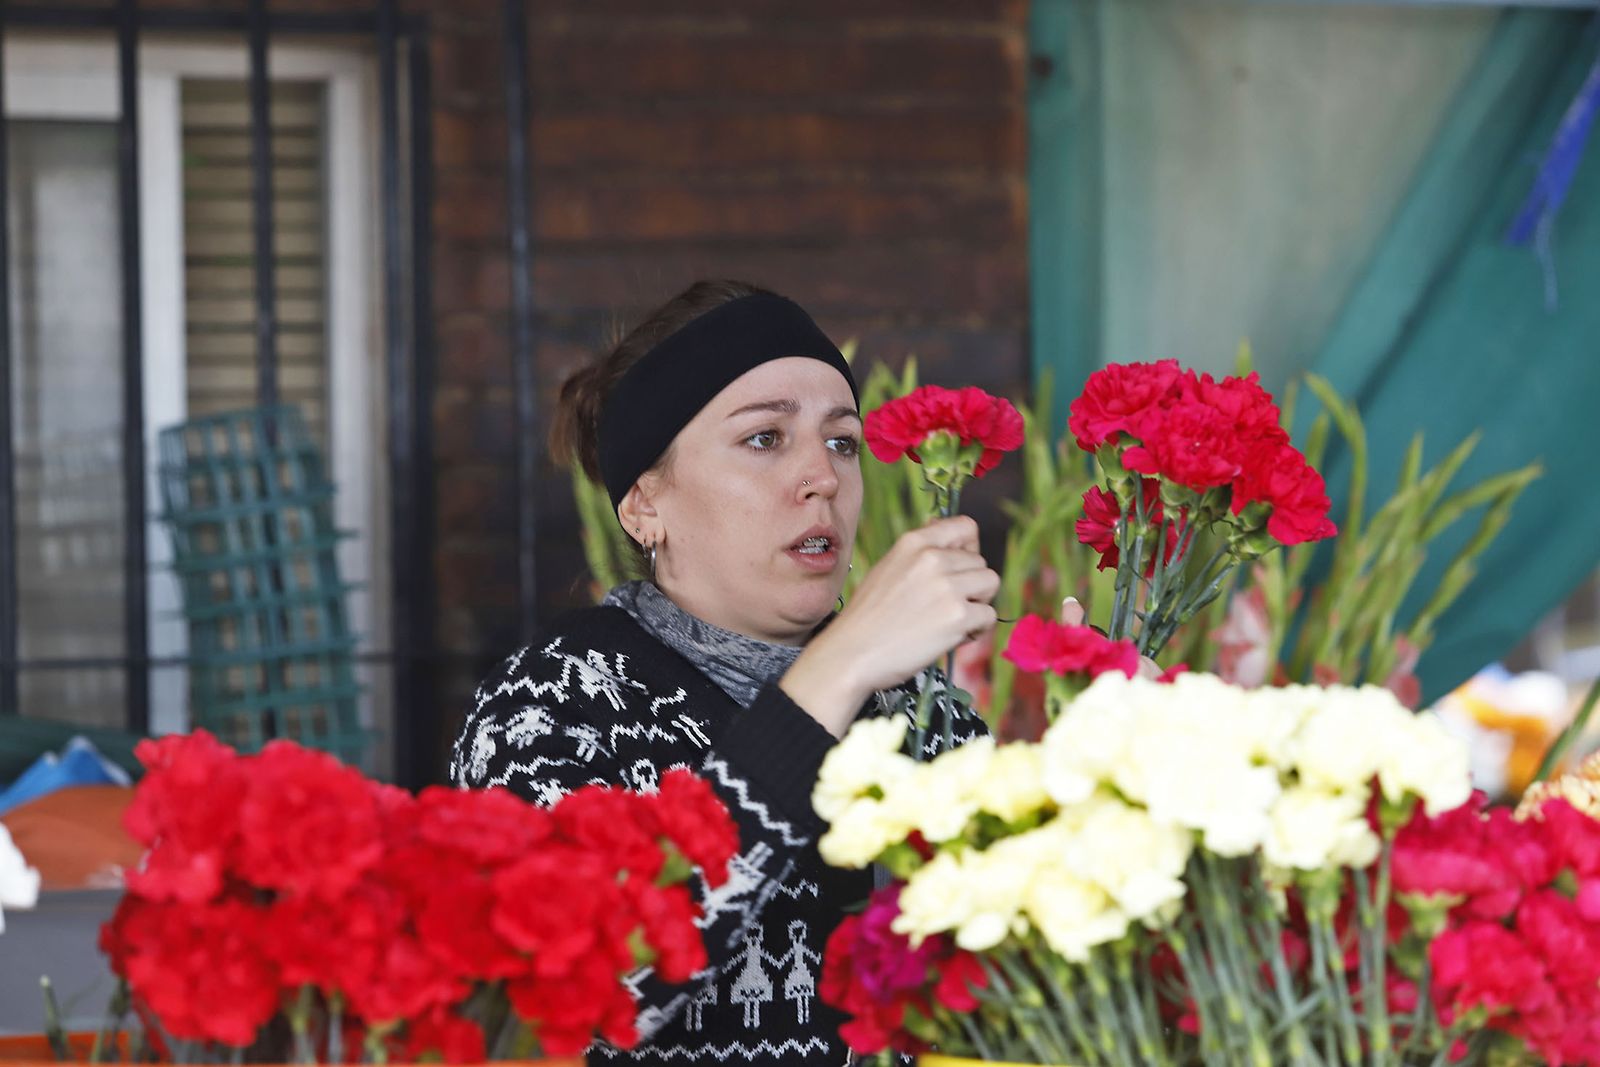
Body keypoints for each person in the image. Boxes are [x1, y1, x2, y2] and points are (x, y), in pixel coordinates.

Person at [450, 280, 997, 1064]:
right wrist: (830, 674)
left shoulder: (925, 710)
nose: (825, 477)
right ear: (644, 504)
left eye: (842, 440)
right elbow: (597, 990)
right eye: (766, 438)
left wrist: (1107, 778)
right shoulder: (552, 702)